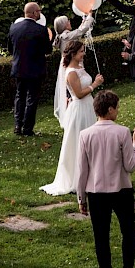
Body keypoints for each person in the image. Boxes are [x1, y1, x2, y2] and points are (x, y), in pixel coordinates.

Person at [77, 91, 135, 268]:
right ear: (110, 109)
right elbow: (130, 166)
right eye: (117, 107)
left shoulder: (85, 134)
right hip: (121, 189)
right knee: (128, 231)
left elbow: (82, 170)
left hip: (96, 192)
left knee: (101, 236)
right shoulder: (122, 132)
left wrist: (81, 198)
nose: (118, 110)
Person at [41, 41, 103, 196]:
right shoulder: (71, 72)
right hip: (79, 110)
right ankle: (77, 178)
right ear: (73, 54)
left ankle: (92, 175)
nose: (84, 53)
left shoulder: (80, 67)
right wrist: (95, 84)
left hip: (87, 107)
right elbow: (78, 94)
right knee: (78, 142)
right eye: (81, 51)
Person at [8, 2, 52, 136]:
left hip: (19, 68)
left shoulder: (14, 28)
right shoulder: (40, 30)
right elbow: (48, 50)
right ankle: (27, 128)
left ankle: (17, 125)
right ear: (34, 13)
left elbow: (10, 48)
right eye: (39, 11)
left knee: (19, 96)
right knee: (31, 99)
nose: (40, 13)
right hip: (35, 69)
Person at [51, 11, 96, 120]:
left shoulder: (63, 36)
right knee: (73, 92)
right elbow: (81, 31)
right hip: (72, 67)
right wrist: (90, 16)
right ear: (65, 25)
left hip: (68, 65)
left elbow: (78, 31)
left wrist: (84, 20)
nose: (70, 22)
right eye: (68, 21)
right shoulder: (66, 36)